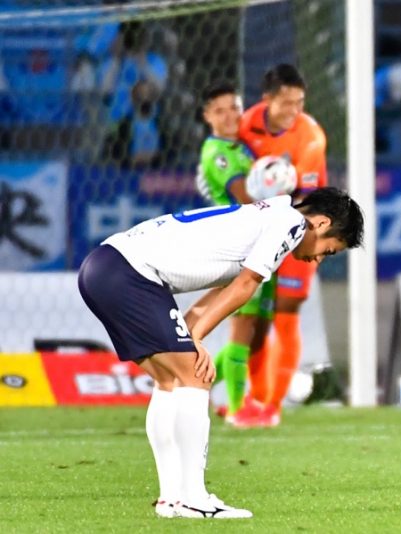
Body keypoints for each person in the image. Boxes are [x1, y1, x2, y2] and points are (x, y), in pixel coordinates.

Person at [77, 188, 364, 518]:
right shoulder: (292, 224)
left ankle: (171, 500)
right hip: (130, 274)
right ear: (322, 222)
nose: (319, 258)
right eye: (329, 249)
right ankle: (194, 499)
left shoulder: (268, 216)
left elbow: (222, 289)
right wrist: (193, 338)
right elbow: (244, 287)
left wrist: (189, 334)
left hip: (104, 267)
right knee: (195, 378)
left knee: (170, 381)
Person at [237, 64, 328, 426]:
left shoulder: (310, 136)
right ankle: (253, 400)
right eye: (286, 103)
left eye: (299, 102)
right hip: (259, 227)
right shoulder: (246, 127)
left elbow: (304, 194)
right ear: (267, 100)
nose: (293, 111)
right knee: (255, 318)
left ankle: (272, 407)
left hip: (303, 227)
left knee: (285, 315)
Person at [195, 80, 278, 428]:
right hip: (242, 249)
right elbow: (247, 197)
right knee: (243, 327)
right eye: (220, 110)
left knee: (257, 329)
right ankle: (238, 408)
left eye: (233, 107)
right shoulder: (217, 153)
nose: (229, 116)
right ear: (207, 117)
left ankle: (222, 396)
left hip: (260, 241)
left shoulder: (241, 148)